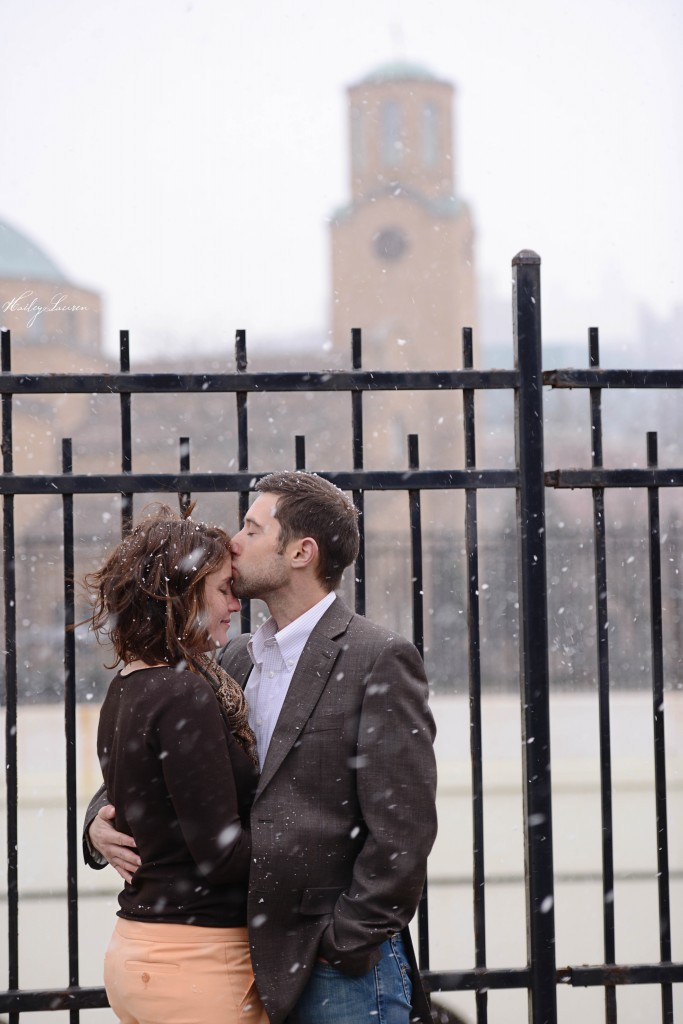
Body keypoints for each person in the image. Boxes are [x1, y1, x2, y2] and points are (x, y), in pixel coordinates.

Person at [85, 473, 438, 1024]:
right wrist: (95, 822)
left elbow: (404, 830)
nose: (234, 541)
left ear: (302, 551)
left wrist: (341, 939)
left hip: (338, 967)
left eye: (252, 528)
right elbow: (161, 765)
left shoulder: (377, 658)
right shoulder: (232, 659)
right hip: (243, 956)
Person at [84, 503, 267, 1024]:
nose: (235, 604)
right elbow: (222, 856)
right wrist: (320, 846)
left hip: (142, 950)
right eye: (223, 590)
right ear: (183, 595)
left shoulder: (127, 687)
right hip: (197, 964)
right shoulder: (183, 693)